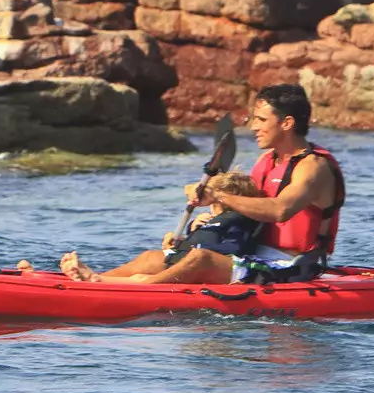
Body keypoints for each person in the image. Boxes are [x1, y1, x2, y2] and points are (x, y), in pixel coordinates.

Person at [52, 83, 345, 285]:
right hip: (253, 251)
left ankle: (113, 284)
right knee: (154, 256)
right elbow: (245, 211)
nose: (253, 126)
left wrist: (218, 194)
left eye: (260, 119)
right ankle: (93, 281)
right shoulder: (268, 161)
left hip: (293, 266)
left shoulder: (313, 167)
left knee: (200, 260)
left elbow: (280, 210)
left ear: (287, 123)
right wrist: (207, 224)